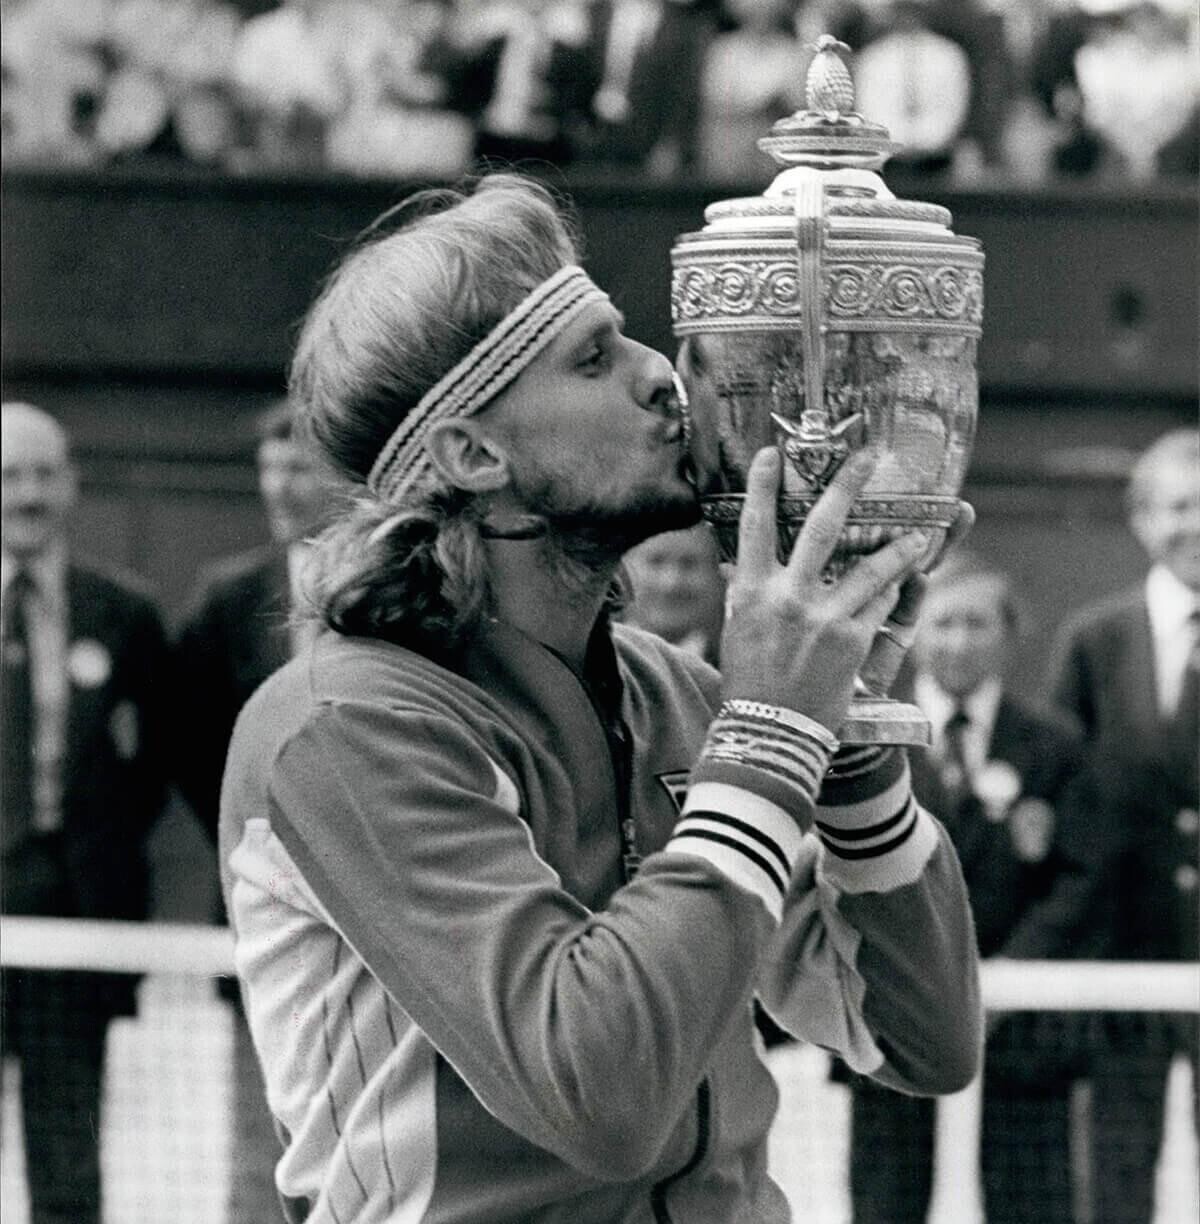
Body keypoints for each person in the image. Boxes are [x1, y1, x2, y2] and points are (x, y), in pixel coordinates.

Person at [218, 173, 982, 1221]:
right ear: (472, 454)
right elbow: (599, 1093)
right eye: (593, 358)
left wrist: (844, 745)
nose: (662, 376)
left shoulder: (682, 694)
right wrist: (768, 740)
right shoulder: (341, 730)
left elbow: (920, 1042)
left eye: (626, 336)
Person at [838, 553, 1103, 1224]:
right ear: (917, 633)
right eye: (944, 623)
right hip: (897, 1021)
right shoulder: (867, 737)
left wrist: (1009, 979)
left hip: (1022, 1036)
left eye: (978, 624)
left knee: (1032, 1206)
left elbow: (1080, 878)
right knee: (886, 1204)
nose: (958, 640)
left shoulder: (1055, 743)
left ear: (1010, 636)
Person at [172, 398, 342, 1222]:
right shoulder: (223, 600)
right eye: (269, 469)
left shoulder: (384, 592)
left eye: (299, 466)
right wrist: (251, 847)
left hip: (370, 904)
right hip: (256, 914)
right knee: (259, 1144)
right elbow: (191, 741)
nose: (282, 485)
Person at [1, 401, 169, 1224]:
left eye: (42, 474)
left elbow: (152, 767)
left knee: (67, 1152)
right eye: (8, 476)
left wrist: (94, 849)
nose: (27, 494)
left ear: (69, 485)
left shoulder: (124, 612)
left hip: (74, 916)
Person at [1048, 426, 1200, 1224]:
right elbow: (1067, 803)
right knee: (1116, 1176)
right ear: (1142, 519)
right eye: (1179, 506)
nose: (1195, 526)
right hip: (1122, 956)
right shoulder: (1093, 642)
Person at [620, 521, 725, 665]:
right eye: (656, 561)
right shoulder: (586, 665)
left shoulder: (742, 673)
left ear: (717, 576)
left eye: (689, 563)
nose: (671, 584)